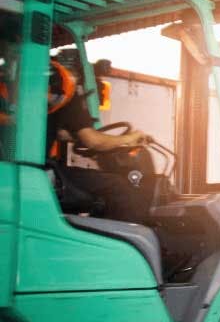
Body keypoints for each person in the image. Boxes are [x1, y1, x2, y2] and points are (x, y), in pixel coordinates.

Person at [48, 50, 151, 223]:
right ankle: (121, 238)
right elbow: (94, 141)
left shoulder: (42, 91)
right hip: (46, 171)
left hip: (42, 168)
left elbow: (60, 132)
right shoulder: (66, 91)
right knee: (119, 187)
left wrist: (76, 138)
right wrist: (129, 138)